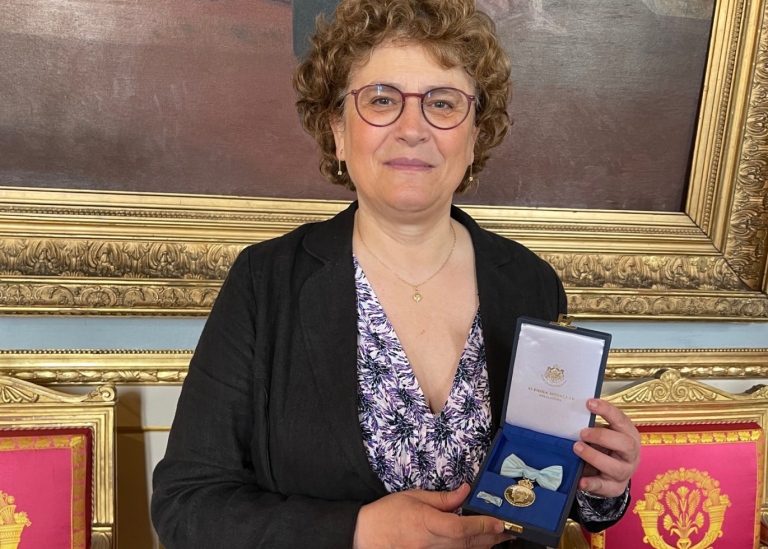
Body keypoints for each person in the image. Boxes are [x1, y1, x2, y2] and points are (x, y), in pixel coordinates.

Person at [151, 0, 641, 547]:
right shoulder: (265, 283)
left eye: (444, 102)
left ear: (475, 134)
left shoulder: (530, 281)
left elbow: (541, 486)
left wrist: (602, 487)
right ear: (337, 130)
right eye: (382, 100)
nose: (413, 128)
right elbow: (186, 506)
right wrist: (357, 531)